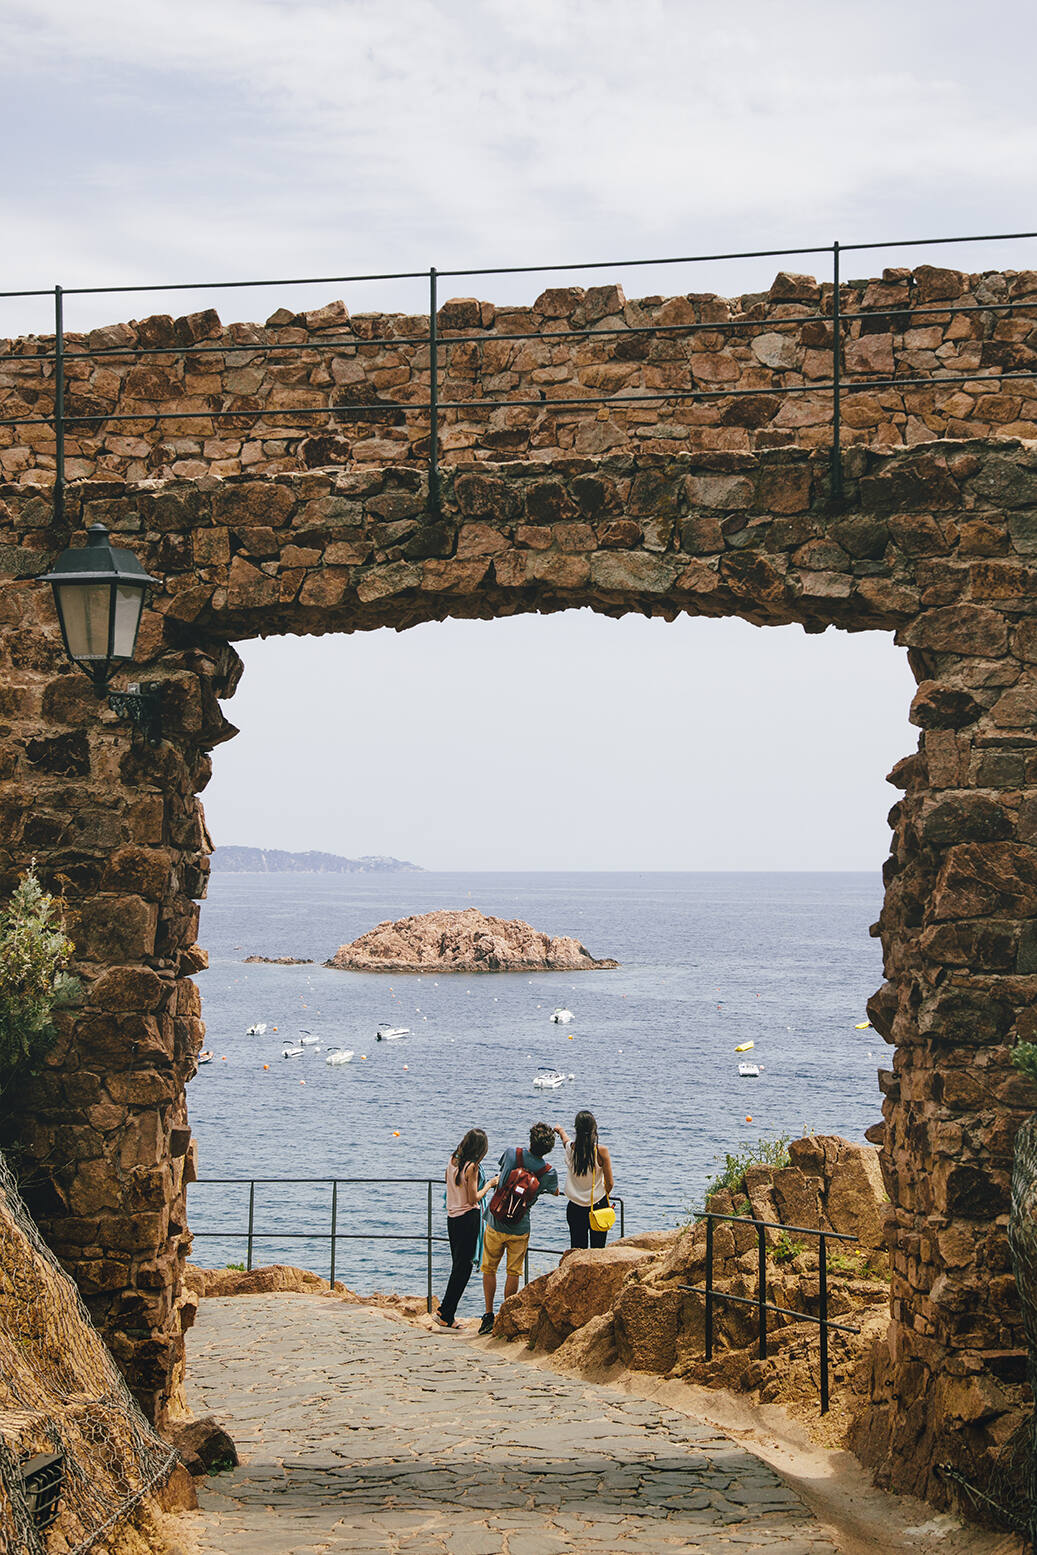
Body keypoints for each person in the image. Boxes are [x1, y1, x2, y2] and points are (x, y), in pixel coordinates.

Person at [479, 1121, 559, 1335]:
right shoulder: (549, 1172)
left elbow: (502, 1174)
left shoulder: (512, 1154)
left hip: (496, 1220)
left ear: (531, 1139)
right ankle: (507, 1316)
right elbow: (554, 1190)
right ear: (549, 1148)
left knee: (489, 1269)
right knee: (513, 1272)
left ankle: (488, 1316)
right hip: (520, 1226)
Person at [434, 1128, 498, 1330]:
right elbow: (473, 1198)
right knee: (464, 1268)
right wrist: (490, 1184)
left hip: (452, 1217)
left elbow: (449, 1184)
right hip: (468, 1217)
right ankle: (445, 1312)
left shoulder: (452, 1160)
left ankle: (446, 1312)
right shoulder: (472, 1167)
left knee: (458, 1266)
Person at [556, 1110, 614, 1249]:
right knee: (598, 1251)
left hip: (575, 1208)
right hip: (598, 1205)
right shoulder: (601, 1151)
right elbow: (610, 1183)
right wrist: (605, 1194)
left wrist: (560, 1130)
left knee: (577, 1250)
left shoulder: (571, 1149)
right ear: (594, 1129)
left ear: (577, 1129)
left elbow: (565, 1140)